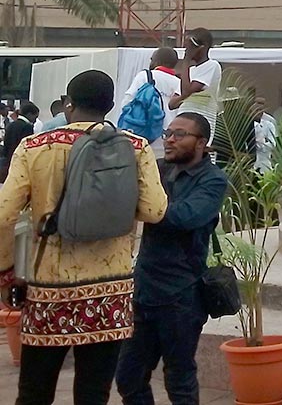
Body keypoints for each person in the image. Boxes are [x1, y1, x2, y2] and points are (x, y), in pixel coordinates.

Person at [0, 70, 168, 405]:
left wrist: (6, 272)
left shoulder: (34, 147)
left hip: (50, 289)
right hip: (111, 293)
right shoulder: (135, 148)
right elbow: (155, 211)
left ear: (68, 104)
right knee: (94, 393)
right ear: (109, 106)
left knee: (34, 392)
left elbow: (4, 214)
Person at [116, 113, 228, 405]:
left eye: (180, 134)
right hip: (144, 290)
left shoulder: (212, 180)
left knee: (179, 377)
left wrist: (145, 206)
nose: (170, 139)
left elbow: (184, 217)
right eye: (168, 133)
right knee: (128, 376)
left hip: (182, 295)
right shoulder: (157, 170)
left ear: (201, 143)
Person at [120, 47, 182, 157]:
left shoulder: (145, 76)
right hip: (169, 138)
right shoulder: (180, 83)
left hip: (144, 135)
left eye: (152, 59)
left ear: (158, 61)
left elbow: (127, 101)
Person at [168, 28, 222, 137]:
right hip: (182, 123)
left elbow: (186, 91)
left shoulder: (212, 65)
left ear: (203, 47)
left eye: (190, 47)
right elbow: (172, 104)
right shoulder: (190, 72)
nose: (186, 51)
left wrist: (186, 61)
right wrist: (184, 96)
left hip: (199, 127)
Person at [1, 103, 38, 182]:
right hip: (21, 164)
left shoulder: (10, 125)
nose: (35, 120)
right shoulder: (27, 127)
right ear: (29, 114)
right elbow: (28, 148)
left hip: (9, 162)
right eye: (35, 117)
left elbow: (5, 147)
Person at [253, 100, 278, 174]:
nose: (258, 112)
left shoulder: (269, 124)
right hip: (251, 163)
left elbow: (272, 143)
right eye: (256, 110)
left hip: (265, 161)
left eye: (260, 110)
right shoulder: (246, 125)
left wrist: (261, 145)